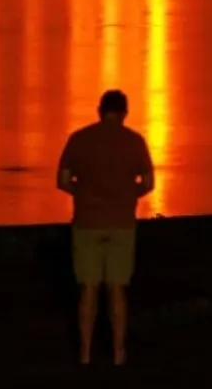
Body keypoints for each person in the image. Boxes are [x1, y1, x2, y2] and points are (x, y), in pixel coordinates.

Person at [56, 89, 155, 365]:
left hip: (87, 222)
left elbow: (63, 180)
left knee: (88, 288)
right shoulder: (135, 141)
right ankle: (118, 352)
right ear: (124, 113)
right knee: (117, 288)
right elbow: (147, 183)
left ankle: (85, 352)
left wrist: (83, 193)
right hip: (121, 223)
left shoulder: (79, 139)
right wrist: (126, 196)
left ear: (100, 110)